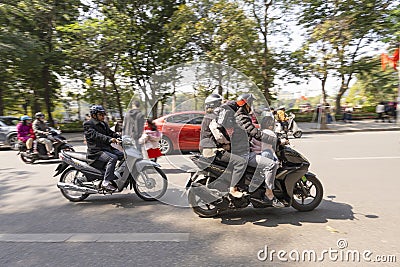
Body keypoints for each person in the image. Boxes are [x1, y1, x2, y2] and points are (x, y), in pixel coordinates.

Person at [232, 94, 284, 207]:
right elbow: (255, 134)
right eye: (251, 104)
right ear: (246, 104)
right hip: (243, 154)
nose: (252, 106)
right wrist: (275, 141)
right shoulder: (242, 117)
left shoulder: (241, 116)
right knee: (271, 165)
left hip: (243, 150)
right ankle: (269, 194)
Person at [199, 93, 247, 198]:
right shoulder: (212, 117)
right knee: (241, 162)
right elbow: (218, 136)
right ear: (214, 105)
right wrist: (227, 143)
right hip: (212, 151)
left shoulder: (209, 116)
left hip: (209, 149)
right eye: (219, 104)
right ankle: (233, 189)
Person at [83, 105, 124, 191]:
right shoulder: (88, 124)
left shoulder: (103, 124)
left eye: (103, 114)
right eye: (100, 114)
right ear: (94, 115)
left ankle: (117, 175)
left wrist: (121, 137)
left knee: (124, 156)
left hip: (106, 149)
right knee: (113, 158)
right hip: (96, 152)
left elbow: (111, 133)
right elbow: (96, 135)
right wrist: (110, 139)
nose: (103, 116)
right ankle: (106, 182)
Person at [250, 115, 286, 207]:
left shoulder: (260, 132)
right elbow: (269, 149)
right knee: (273, 164)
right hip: (260, 156)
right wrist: (282, 142)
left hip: (254, 154)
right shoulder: (269, 133)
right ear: (270, 126)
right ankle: (269, 193)